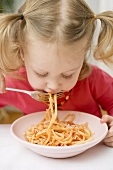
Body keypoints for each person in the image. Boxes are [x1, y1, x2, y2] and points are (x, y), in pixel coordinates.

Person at [0, 0, 113, 147]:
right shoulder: (14, 82)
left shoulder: (93, 78)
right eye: (41, 73)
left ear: (83, 55)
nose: (53, 86)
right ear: (22, 53)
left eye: (67, 75)